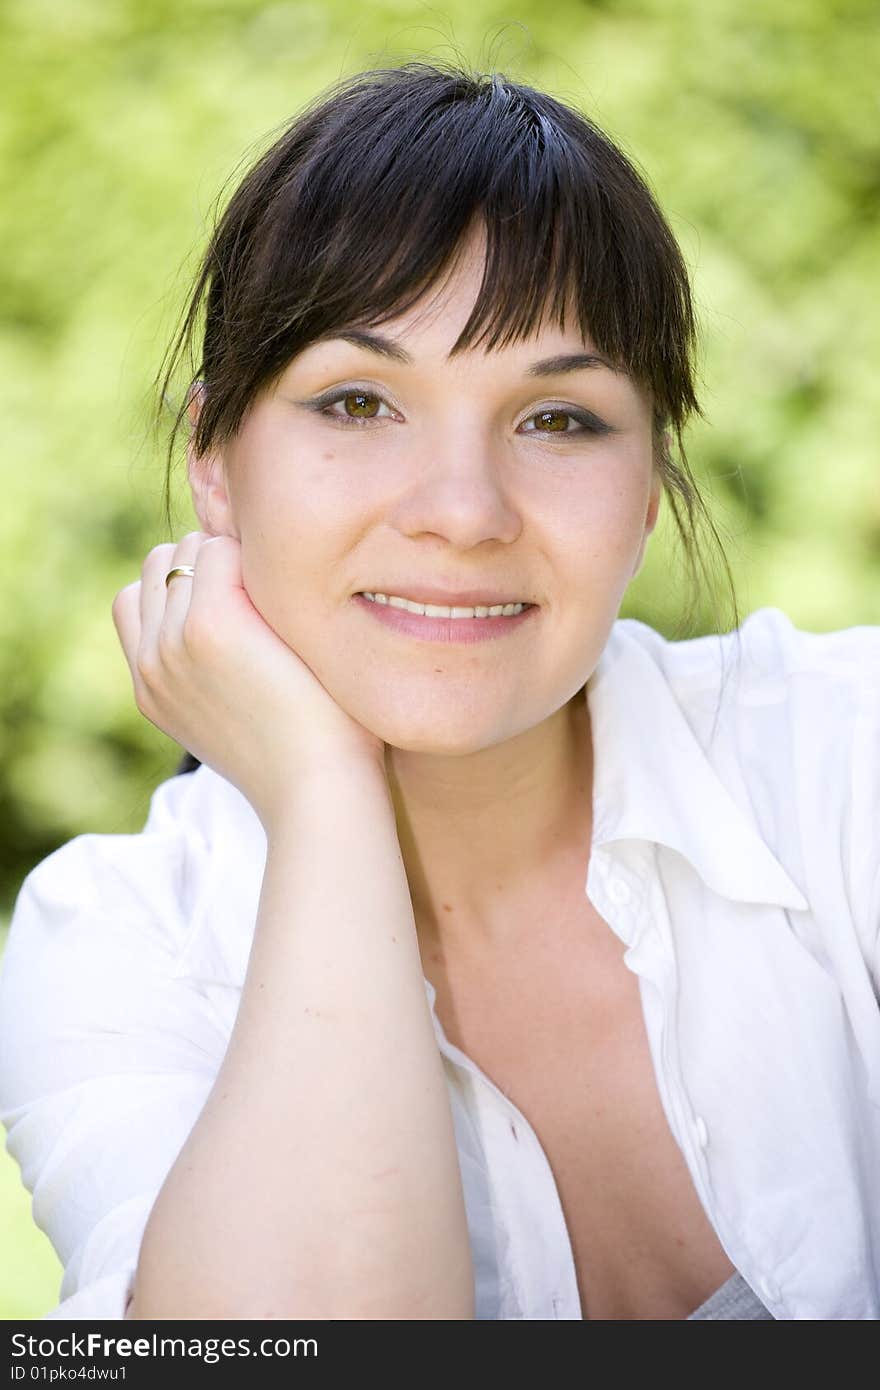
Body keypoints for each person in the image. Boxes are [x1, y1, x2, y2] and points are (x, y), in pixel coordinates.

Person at [1, 58, 879, 1323]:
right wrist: (319, 797)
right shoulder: (120, 939)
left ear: (649, 488)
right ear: (214, 461)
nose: (462, 512)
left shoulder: (840, 762)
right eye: (357, 402)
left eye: (558, 419)